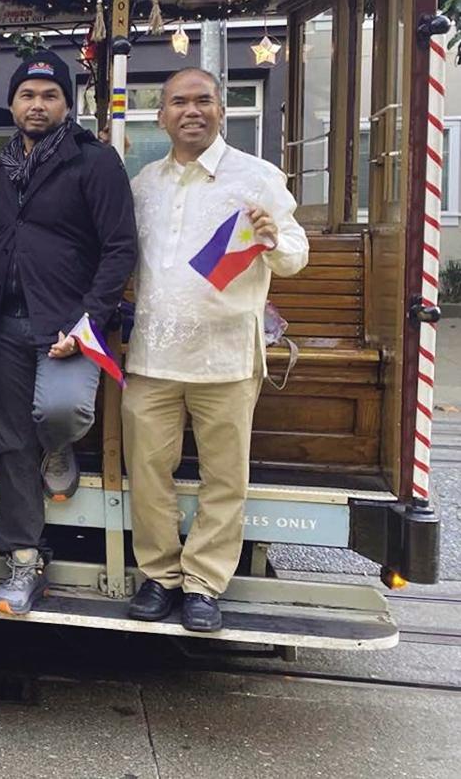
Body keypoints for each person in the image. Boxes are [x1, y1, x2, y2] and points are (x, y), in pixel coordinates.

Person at [123, 67, 308, 633]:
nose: (191, 111)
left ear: (221, 109)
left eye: (203, 100)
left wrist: (273, 238)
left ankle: (204, 582)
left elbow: (296, 253)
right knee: (148, 469)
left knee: (224, 476)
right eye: (178, 102)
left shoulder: (257, 177)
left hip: (226, 357)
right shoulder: (143, 183)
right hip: (151, 356)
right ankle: (159, 576)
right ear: (162, 116)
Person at [0, 52, 137, 615]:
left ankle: (59, 448)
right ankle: (23, 560)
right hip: (5, 324)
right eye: (27, 95)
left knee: (60, 411)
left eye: (49, 96)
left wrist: (89, 320)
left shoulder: (95, 162)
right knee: (10, 442)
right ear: (13, 103)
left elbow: (120, 249)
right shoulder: (0, 168)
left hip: (69, 323)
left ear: (67, 104)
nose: (36, 105)